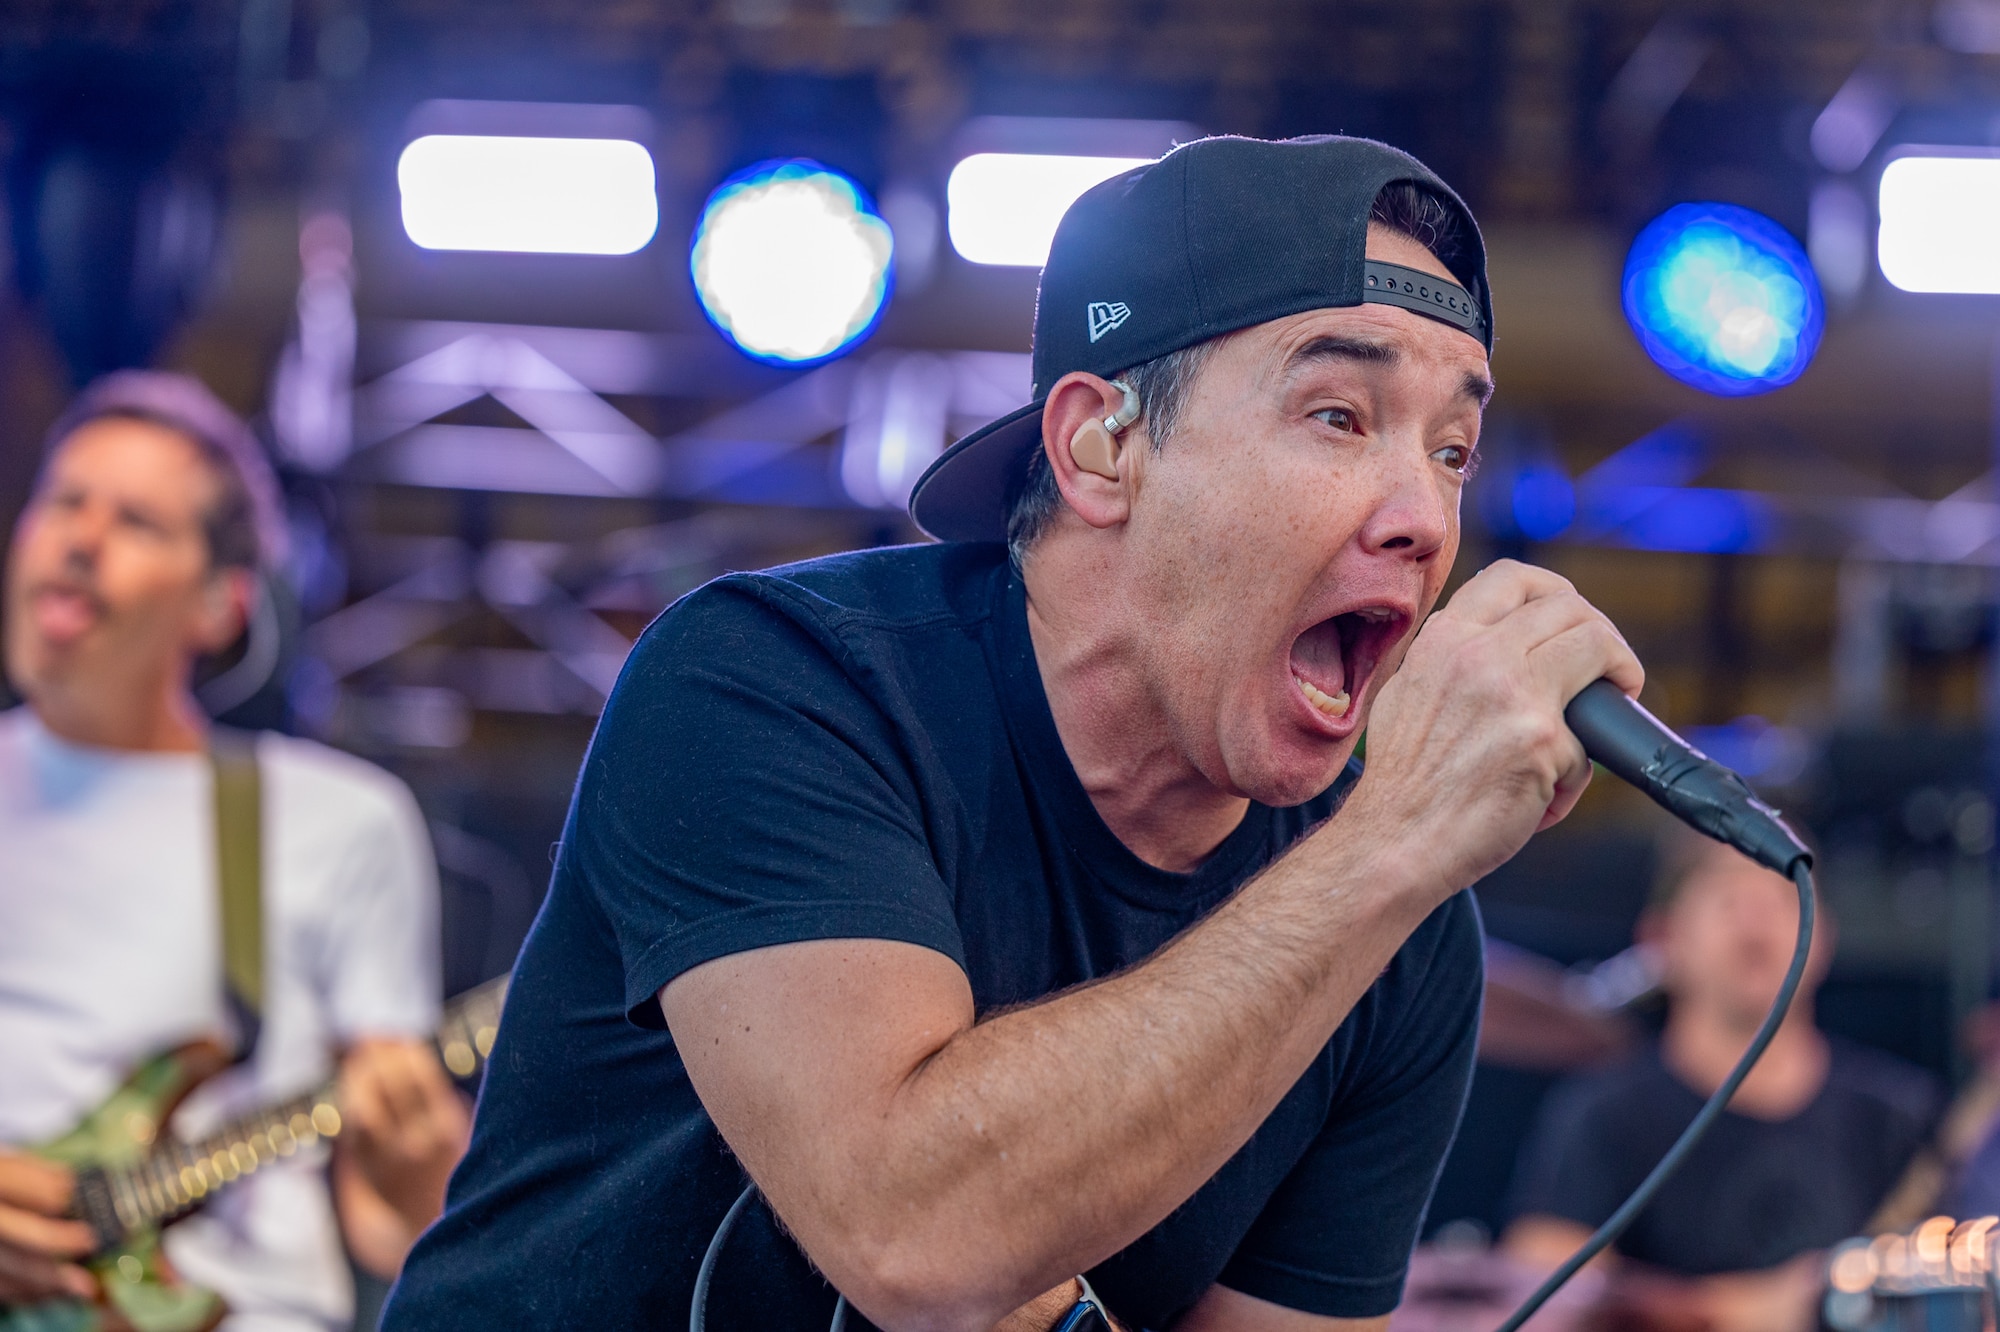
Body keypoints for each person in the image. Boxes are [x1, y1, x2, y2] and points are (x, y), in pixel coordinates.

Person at [387, 134, 1641, 1332]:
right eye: (1336, 417)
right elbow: (910, 1239)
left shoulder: (1401, 941)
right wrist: (1397, 840)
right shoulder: (775, 681)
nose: (1425, 514)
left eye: (1453, 449)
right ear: (1100, 447)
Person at [0, 372, 471, 1330]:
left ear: (221, 607)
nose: (79, 541)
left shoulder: (336, 818)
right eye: (63, 500)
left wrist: (424, 1162)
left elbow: (390, 1226)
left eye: (136, 521)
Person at [1504, 828, 1941, 1332]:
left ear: (1823, 937)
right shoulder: (1603, 1111)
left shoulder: (1897, 1110)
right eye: (1729, 899)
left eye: (1782, 896)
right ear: (1663, 939)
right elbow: (1541, 1288)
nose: (1756, 922)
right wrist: (1740, 1310)